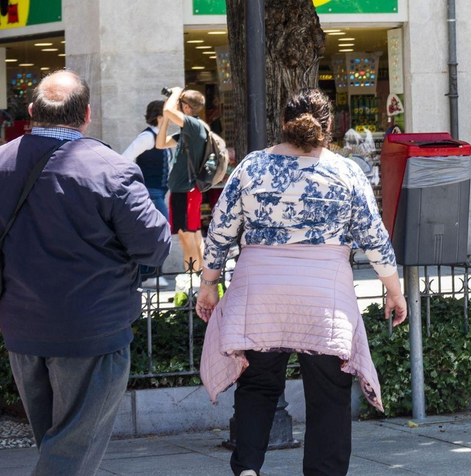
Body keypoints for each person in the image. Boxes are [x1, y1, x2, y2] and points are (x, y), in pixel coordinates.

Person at [0, 70, 171, 476]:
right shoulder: (111, 169)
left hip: (23, 329)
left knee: (57, 446)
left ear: (31, 112)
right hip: (93, 328)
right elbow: (154, 245)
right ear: (86, 114)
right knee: (68, 453)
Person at [197, 89, 406, 476]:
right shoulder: (347, 172)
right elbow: (374, 237)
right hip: (323, 295)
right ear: (328, 127)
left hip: (259, 292)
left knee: (257, 384)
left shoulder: (251, 167)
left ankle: (247, 469)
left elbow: (221, 231)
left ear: (283, 124)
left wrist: (209, 284)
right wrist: (394, 291)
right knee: (329, 394)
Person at [157, 85, 211, 278]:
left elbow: (168, 110)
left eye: (180, 103)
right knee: (193, 236)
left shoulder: (194, 126)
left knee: (187, 238)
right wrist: (164, 123)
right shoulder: (190, 130)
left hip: (186, 191)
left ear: (186, 107)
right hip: (185, 191)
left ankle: (193, 284)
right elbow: (160, 144)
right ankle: (202, 280)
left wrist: (175, 93)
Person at [122, 98, 172, 224]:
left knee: (160, 231)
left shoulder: (163, 137)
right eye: (168, 114)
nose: (172, 118)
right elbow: (124, 159)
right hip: (150, 192)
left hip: (159, 193)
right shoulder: (147, 137)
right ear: (160, 118)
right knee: (162, 229)